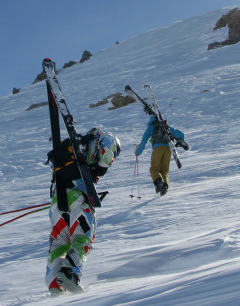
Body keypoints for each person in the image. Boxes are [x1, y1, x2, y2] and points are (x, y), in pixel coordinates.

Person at [45, 127, 121, 294]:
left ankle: (54, 284)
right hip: (80, 196)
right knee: (83, 237)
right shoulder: (105, 138)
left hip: (58, 199)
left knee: (59, 242)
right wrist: (101, 167)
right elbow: (107, 152)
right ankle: (70, 273)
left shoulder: (73, 150)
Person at [135, 115, 188, 195]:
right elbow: (180, 134)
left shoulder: (151, 127)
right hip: (168, 149)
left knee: (154, 168)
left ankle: (159, 182)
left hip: (157, 149)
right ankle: (165, 186)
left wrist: (138, 152)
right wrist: (181, 139)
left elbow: (144, 141)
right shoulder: (165, 127)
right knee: (165, 170)